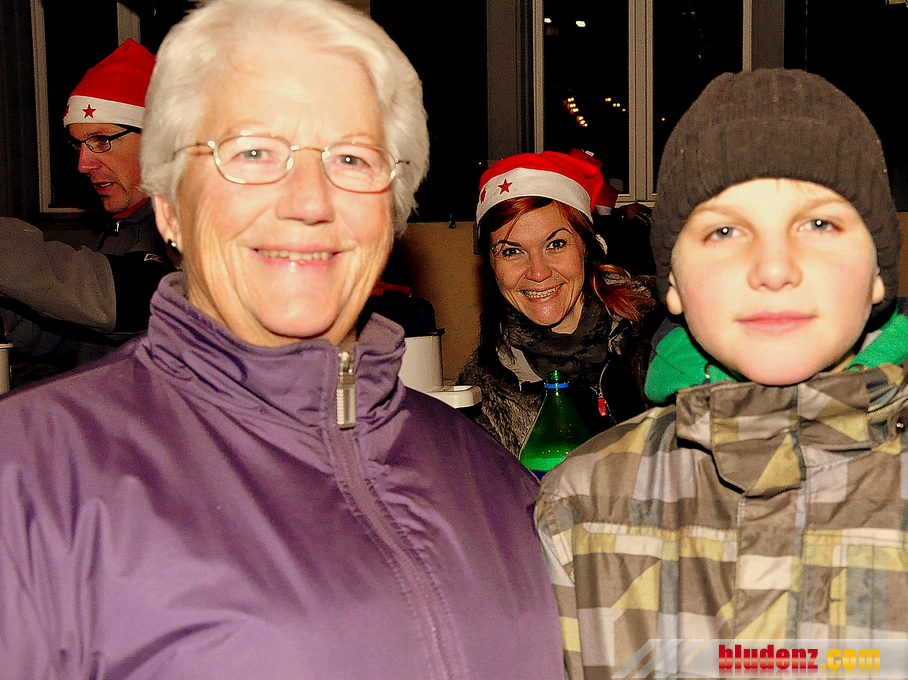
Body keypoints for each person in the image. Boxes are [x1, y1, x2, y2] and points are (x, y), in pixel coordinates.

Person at [0, 1, 563, 678]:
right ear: (170, 207)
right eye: (252, 152)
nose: (309, 200)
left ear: (390, 214)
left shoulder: (490, 478)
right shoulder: (30, 476)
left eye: (352, 157)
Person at [534, 69, 908, 679]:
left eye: (819, 225)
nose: (772, 268)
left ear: (878, 272)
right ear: (674, 283)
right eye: (724, 230)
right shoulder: (582, 507)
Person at [458, 151, 662, 454]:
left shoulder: (661, 325)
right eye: (512, 251)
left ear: (587, 247)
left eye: (555, 244)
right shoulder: (483, 389)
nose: (538, 272)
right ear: (491, 264)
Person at [0, 39, 172, 379]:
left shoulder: (198, 220)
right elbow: (83, 339)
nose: (83, 164)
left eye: (101, 140)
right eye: (79, 145)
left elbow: (136, 299)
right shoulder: (123, 229)